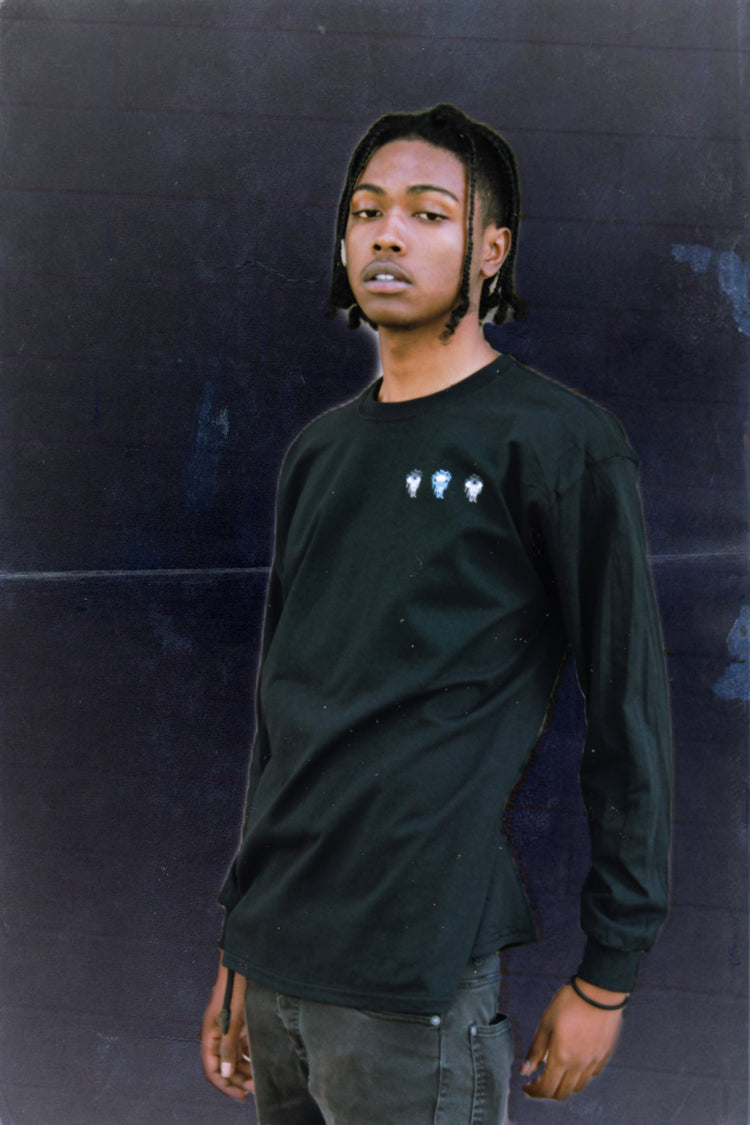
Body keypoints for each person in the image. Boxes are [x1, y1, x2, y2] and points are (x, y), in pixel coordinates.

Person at [199, 103, 671, 1122]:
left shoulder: (557, 442)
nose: (387, 235)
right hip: (278, 962)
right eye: (366, 211)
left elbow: (629, 717)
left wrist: (609, 973)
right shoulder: (319, 452)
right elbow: (284, 711)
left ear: (490, 249)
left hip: (411, 974)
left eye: (426, 213)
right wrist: (241, 931)